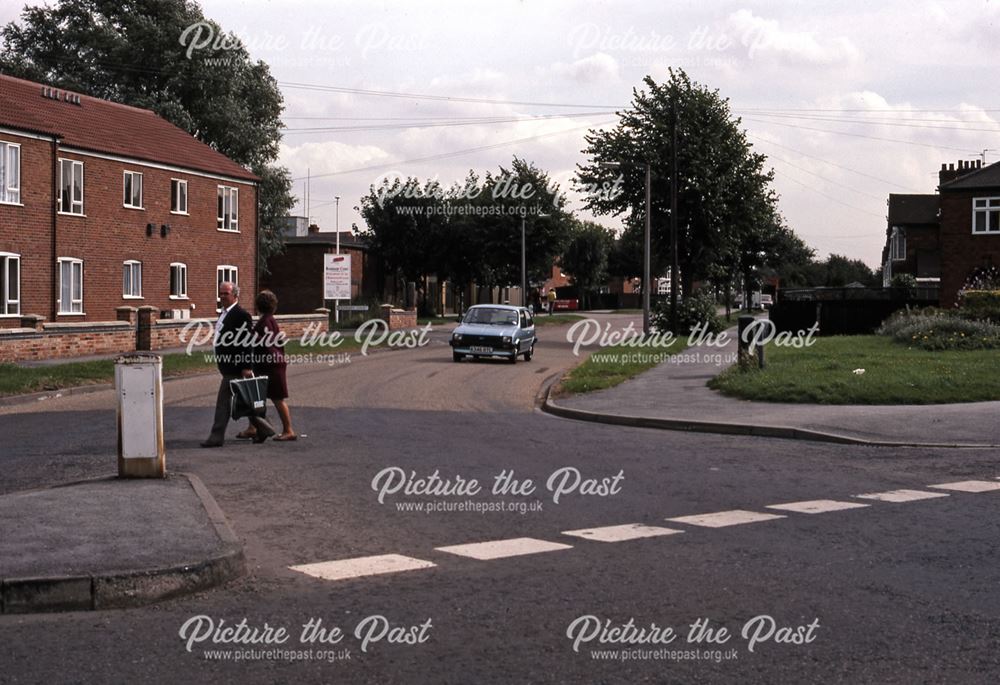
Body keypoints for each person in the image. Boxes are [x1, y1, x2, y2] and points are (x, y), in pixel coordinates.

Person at [201, 282, 276, 447]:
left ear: (235, 295)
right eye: (220, 293)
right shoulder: (225, 313)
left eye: (225, 294)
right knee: (247, 400)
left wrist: (247, 366)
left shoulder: (241, 314)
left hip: (235, 366)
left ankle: (216, 436)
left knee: (224, 403)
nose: (222, 297)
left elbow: (247, 343)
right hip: (227, 365)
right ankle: (265, 428)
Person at [237, 290, 297, 442]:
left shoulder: (265, 322)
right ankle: (253, 428)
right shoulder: (269, 320)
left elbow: (264, 344)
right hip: (272, 364)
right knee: (255, 397)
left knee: (277, 398)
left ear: (258, 305)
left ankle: (288, 430)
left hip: (271, 365)